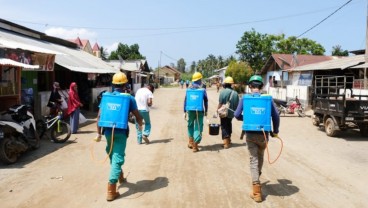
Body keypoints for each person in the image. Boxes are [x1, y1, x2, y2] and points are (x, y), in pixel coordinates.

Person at [96, 72, 143, 201]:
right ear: (125, 84)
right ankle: (111, 189)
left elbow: (99, 116)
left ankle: (120, 175)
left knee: (112, 153)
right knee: (117, 156)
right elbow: (137, 115)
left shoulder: (106, 97)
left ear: (113, 84)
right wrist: (140, 124)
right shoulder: (129, 98)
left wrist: (98, 133)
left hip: (107, 132)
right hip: (121, 133)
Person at [234, 75, 280, 203]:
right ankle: (257, 180)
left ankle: (256, 191)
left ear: (250, 86)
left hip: (250, 135)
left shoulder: (245, 99)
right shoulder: (268, 99)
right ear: (262, 86)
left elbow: (237, 115)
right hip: (264, 135)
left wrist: (247, 118)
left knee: (253, 160)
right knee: (260, 157)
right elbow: (276, 117)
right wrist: (275, 131)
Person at [184, 72, 208, 152]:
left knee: (190, 125)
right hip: (199, 111)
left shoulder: (189, 89)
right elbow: (206, 101)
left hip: (190, 110)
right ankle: (195, 145)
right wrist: (206, 111)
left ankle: (190, 142)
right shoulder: (202, 90)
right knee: (198, 125)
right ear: (199, 79)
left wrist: (184, 110)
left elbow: (186, 100)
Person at [217, 76, 239, 149]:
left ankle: (226, 143)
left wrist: (217, 110)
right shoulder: (235, 93)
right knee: (229, 124)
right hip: (232, 113)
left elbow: (220, 103)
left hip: (224, 112)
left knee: (224, 126)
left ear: (225, 84)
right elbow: (237, 104)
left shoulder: (222, 92)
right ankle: (229, 140)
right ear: (231, 84)